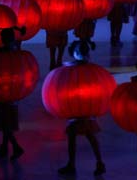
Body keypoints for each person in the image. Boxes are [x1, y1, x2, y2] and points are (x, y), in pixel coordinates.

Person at [58, 41, 106, 176]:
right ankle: (96, 162)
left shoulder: (76, 71)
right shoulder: (91, 70)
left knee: (80, 137)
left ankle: (75, 164)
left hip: (79, 108)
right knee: (87, 136)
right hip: (83, 108)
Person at [0, 28, 25, 160]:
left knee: (5, 122)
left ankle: (16, 147)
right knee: (7, 121)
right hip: (13, 91)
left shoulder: (0, 53)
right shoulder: (17, 53)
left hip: (3, 91)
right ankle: (4, 147)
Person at [37, 0, 75, 69]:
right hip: (62, 19)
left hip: (51, 20)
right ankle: (59, 59)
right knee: (61, 42)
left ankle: (52, 60)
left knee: (52, 43)